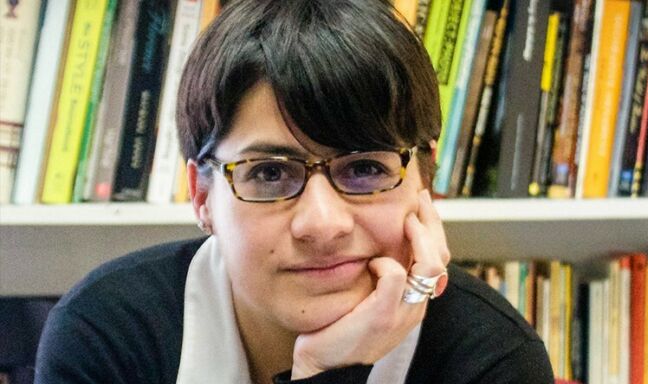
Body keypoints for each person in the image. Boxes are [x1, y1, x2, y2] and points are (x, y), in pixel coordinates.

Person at [35, 0, 554, 383]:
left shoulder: (493, 359)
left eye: (366, 167)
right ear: (201, 196)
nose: (323, 224)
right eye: (267, 174)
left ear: (425, 180)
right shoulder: (106, 335)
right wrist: (323, 369)